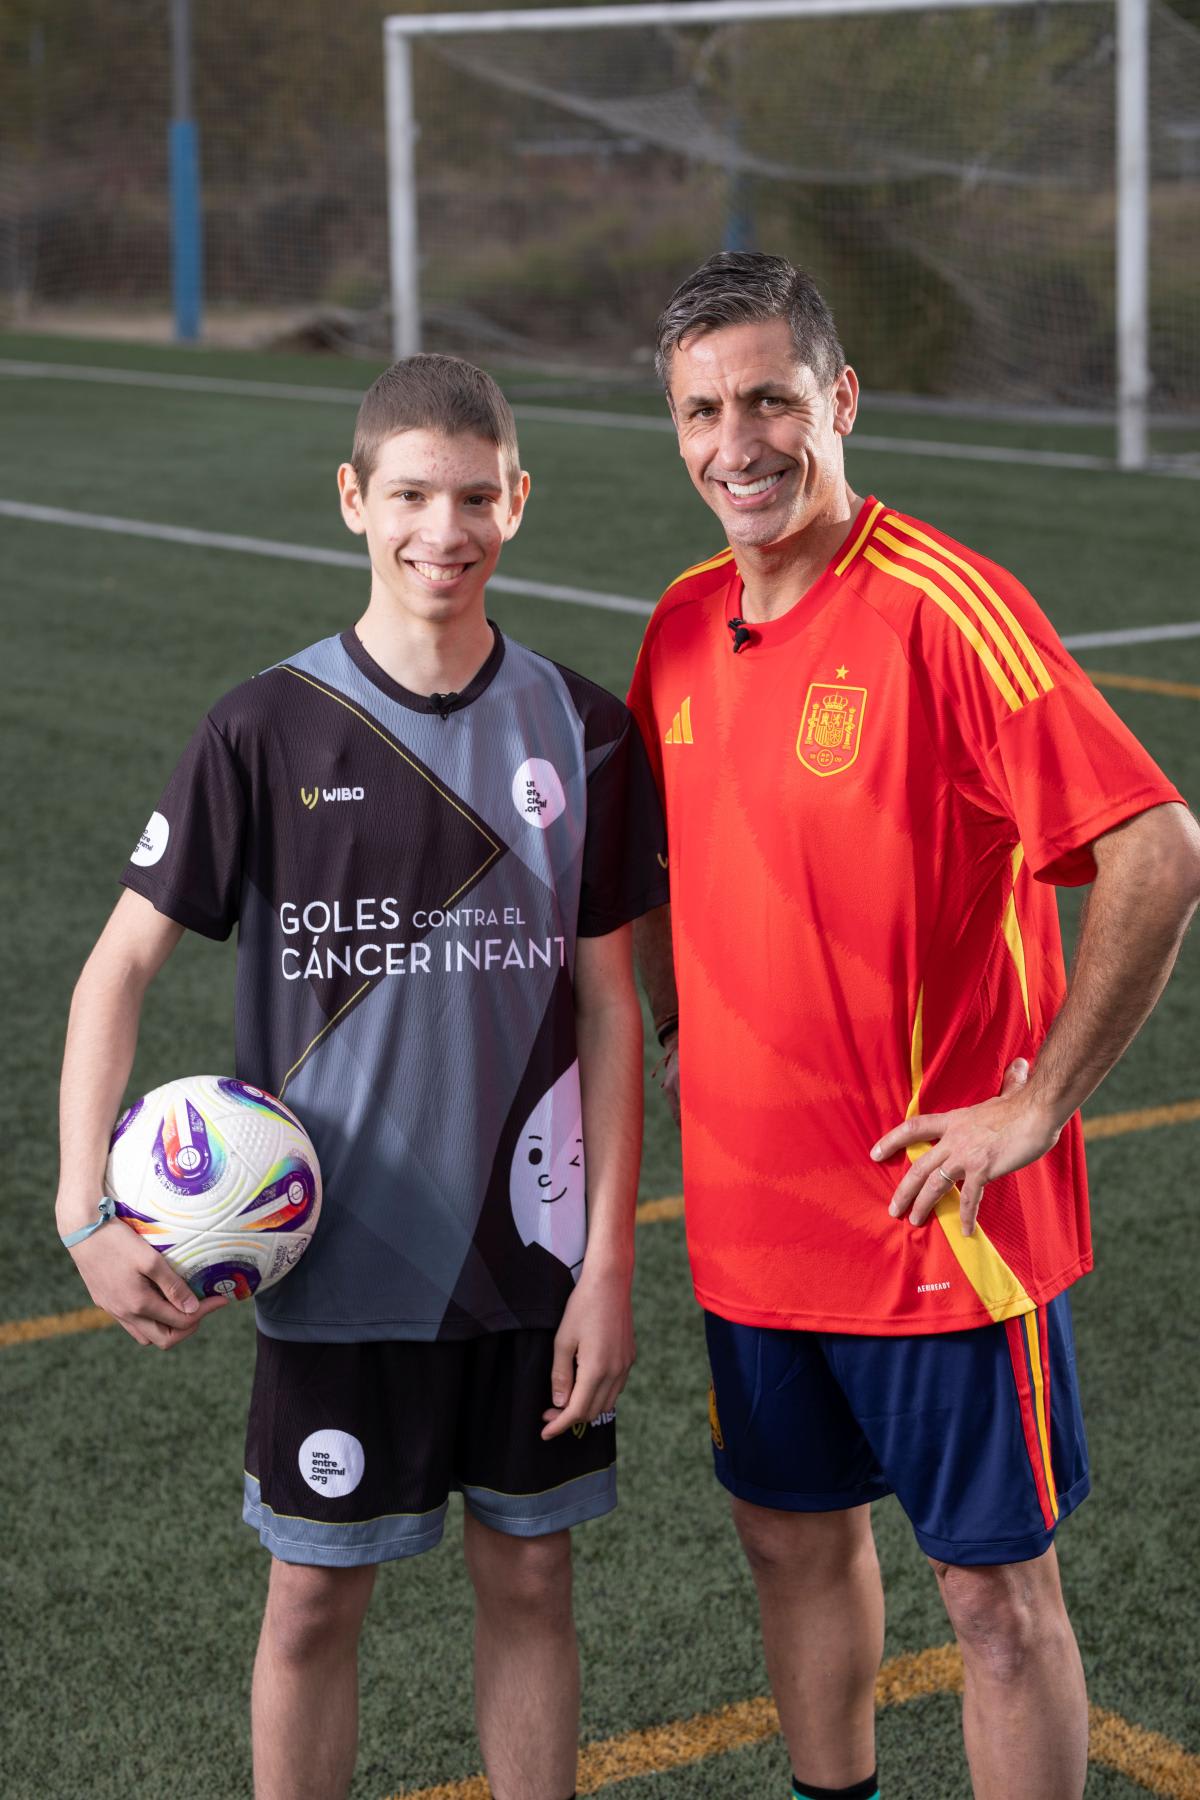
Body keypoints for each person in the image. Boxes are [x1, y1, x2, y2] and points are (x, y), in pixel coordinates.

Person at [627, 251, 1200, 1800]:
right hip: (751, 1224)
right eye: (700, 410)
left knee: (995, 1605)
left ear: (840, 401)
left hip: (932, 1225)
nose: (735, 442)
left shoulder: (944, 608)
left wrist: (1038, 1108)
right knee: (790, 1546)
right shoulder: (678, 629)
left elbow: (1159, 845)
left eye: (768, 399)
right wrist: (677, 1022)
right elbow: (666, 869)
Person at [55, 354, 669, 1800]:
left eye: (472, 498)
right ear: (352, 500)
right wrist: (86, 1211)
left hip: (526, 1267)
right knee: (314, 1601)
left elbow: (609, 1009)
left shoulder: (584, 732)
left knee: (530, 1585)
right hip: (331, 1270)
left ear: (518, 501)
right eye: (408, 496)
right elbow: (114, 972)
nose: (439, 532)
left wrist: (609, 1268)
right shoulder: (262, 728)